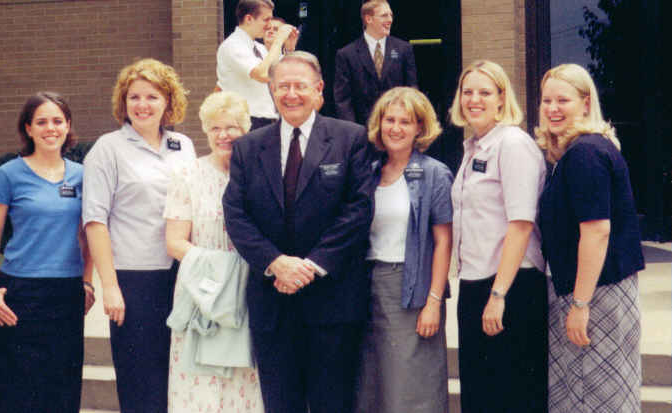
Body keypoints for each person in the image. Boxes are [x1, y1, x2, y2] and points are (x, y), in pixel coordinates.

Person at [223, 51, 375, 413]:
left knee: (332, 403)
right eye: (282, 86)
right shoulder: (248, 147)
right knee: (281, 403)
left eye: (300, 86)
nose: (291, 94)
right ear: (272, 91)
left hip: (332, 300)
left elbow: (358, 210)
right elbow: (236, 214)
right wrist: (276, 263)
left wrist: (310, 266)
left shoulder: (350, 138)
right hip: (272, 300)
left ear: (319, 90)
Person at [83, 58, 196, 413]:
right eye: (134, 97)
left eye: (152, 96)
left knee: (178, 377)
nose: (142, 105)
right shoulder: (108, 148)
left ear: (168, 101)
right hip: (134, 279)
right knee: (140, 381)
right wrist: (110, 285)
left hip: (181, 277)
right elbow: (95, 221)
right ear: (123, 102)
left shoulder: (184, 145)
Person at [535, 63, 644, 413]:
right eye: (547, 100)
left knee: (590, 399)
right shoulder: (583, 150)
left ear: (585, 103)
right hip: (599, 290)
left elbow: (597, 231)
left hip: (595, 295)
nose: (552, 108)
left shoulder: (584, 153)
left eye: (562, 100)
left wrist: (580, 305)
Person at [0, 92, 95, 413]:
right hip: (19, 292)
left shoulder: (82, 175)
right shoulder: (9, 175)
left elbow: (89, 235)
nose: (50, 128)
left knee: (61, 386)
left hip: (66, 293)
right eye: (41, 122)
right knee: (14, 388)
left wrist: (87, 282)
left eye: (57, 121)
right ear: (28, 128)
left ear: (68, 126)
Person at [449, 60, 547, 413]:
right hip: (477, 282)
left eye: (485, 92)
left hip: (510, 286)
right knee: (480, 393)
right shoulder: (474, 146)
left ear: (502, 98)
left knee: (511, 393)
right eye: (468, 92)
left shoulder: (513, 144)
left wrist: (498, 293)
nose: (474, 99)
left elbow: (521, 224)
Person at [164, 91, 264, 412]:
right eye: (215, 128)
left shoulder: (260, 174)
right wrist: (222, 273)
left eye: (232, 127)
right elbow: (175, 242)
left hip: (250, 292)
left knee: (245, 379)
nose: (224, 135)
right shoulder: (187, 175)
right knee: (201, 384)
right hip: (203, 294)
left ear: (246, 129)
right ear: (205, 131)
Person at [354, 87, 452, 413]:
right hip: (367, 285)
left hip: (409, 289)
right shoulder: (367, 171)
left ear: (420, 128)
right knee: (370, 384)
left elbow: (443, 243)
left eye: (405, 122)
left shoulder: (434, 174)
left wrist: (433, 302)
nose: (395, 128)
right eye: (389, 120)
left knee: (410, 388)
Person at [334, 0, 418, 126]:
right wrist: (352, 132)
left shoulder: (403, 49)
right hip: (362, 131)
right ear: (368, 19)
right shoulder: (346, 54)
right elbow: (343, 100)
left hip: (396, 128)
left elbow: (411, 90)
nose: (390, 19)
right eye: (384, 15)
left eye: (391, 15)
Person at [217, 0, 298, 130]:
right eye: (266, 20)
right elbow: (263, 74)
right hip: (245, 122)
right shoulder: (232, 45)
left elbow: (280, 74)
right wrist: (278, 41)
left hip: (266, 121)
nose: (269, 25)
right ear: (249, 19)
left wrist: (289, 49)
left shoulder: (259, 48)